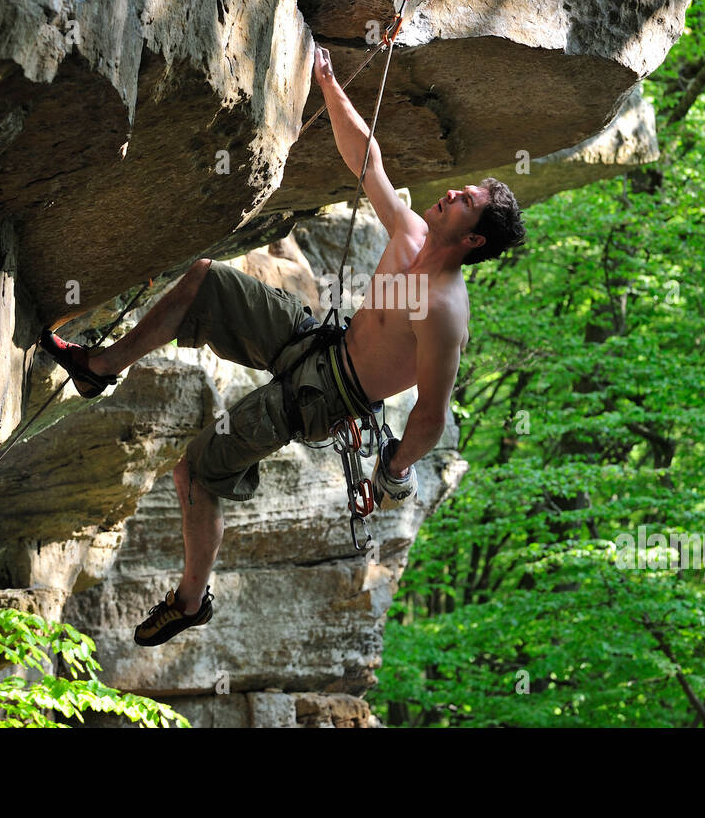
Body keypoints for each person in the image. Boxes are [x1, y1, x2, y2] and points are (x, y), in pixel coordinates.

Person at [40, 43, 526, 646]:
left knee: (196, 471)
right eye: (462, 191)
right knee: (204, 279)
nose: (452, 194)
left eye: (467, 203)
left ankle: (191, 600)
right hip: (314, 342)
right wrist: (327, 79)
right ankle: (99, 366)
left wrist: (394, 467)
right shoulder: (413, 233)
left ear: (474, 241)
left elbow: (431, 413)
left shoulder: (446, 310)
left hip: (321, 397)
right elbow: (366, 162)